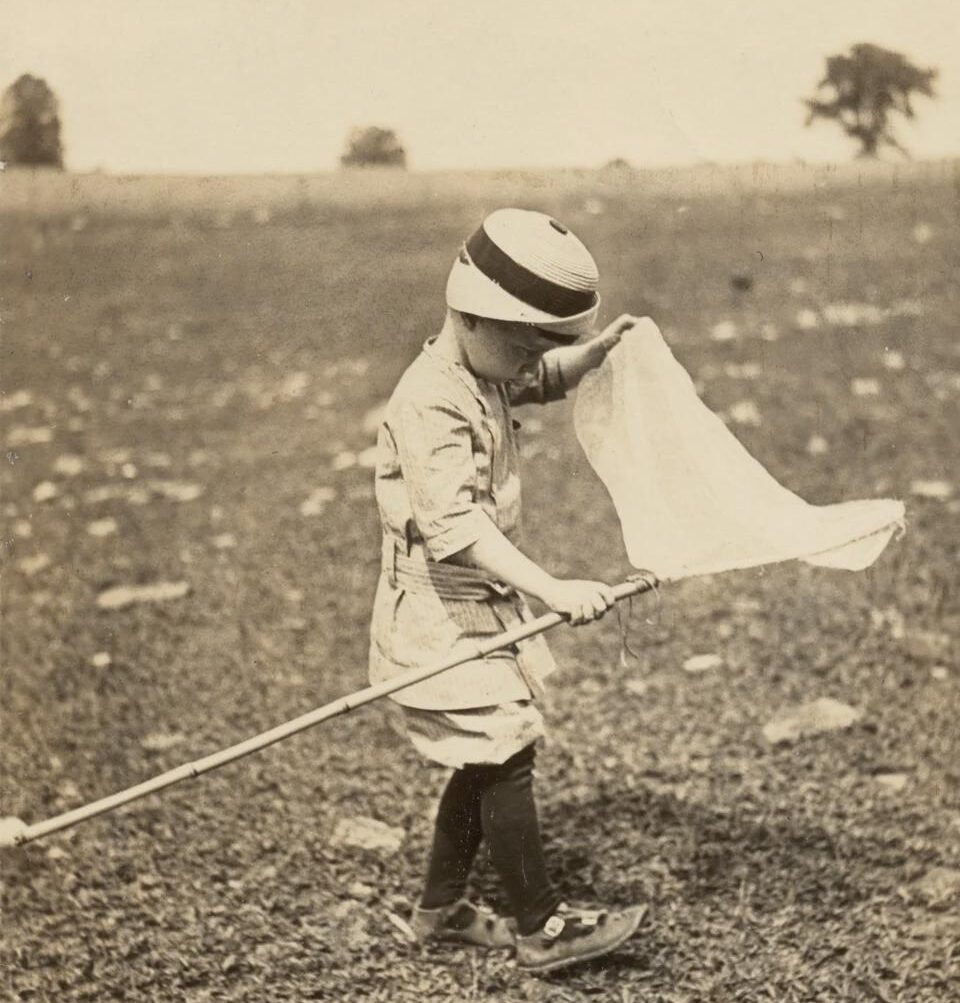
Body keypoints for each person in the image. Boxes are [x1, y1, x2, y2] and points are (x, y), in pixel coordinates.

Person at [369, 207, 648, 973]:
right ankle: (539, 926)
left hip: (475, 603)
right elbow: (455, 526)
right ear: (469, 315)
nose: (532, 362)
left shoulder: (480, 365)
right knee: (505, 747)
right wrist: (552, 588)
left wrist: (589, 355)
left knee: (485, 751)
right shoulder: (432, 400)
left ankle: (441, 909)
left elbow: (535, 379)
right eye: (525, 343)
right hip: (437, 609)